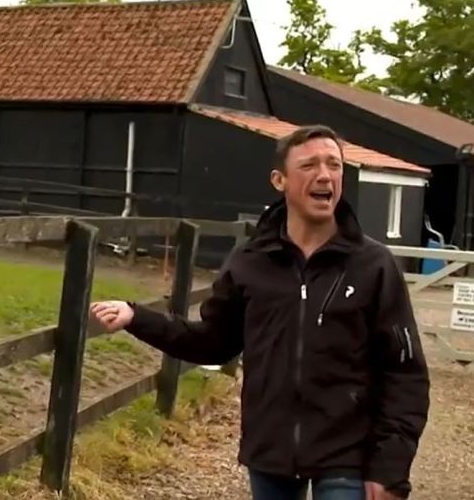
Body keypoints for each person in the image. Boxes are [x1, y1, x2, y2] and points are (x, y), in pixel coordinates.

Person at [90, 125, 430, 500]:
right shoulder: (249, 262)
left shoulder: (374, 265)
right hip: (271, 454)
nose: (324, 175)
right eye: (309, 165)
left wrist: (391, 469)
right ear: (279, 180)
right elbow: (214, 343)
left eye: (334, 165)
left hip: (347, 455)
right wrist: (137, 318)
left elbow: (405, 372)